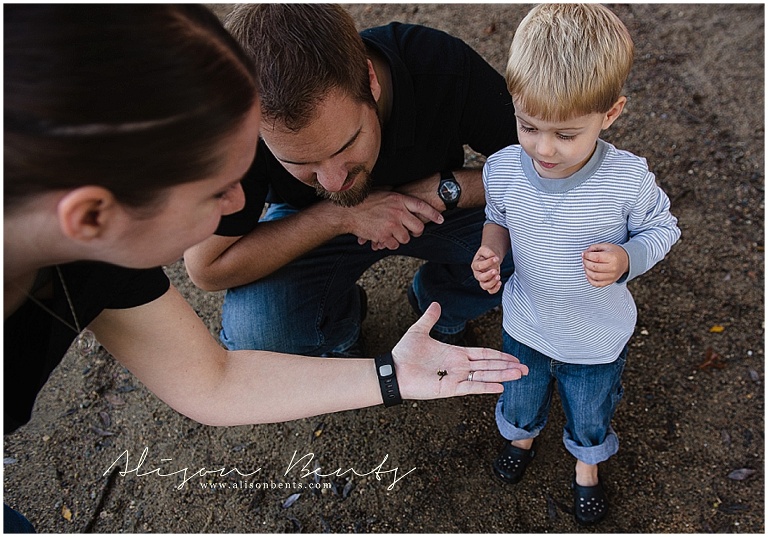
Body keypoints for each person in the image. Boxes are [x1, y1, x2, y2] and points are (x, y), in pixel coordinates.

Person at [3, 5, 530, 532]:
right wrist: (331, 221)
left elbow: (213, 380)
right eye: (216, 188)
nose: (238, 198)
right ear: (92, 215)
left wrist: (393, 375)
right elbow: (209, 273)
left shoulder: (93, 258)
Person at [183, 4, 518, 357]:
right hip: (310, 224)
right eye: (300, 162)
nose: (333, 181)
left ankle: (442, 304)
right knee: (259, 333)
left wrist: (448, 189)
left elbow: (552, 174)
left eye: (347, 145)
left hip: (431, 206)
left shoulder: (437, 64)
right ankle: (339, 331)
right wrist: (340, 216)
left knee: (548, 242)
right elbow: (206, 268)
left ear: (370, 81)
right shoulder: (236, 128)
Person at [471, 4, 681, 526]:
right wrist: (491, 251)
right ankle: (522, 437)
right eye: (528, 126)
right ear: (514, 103)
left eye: (566, 134)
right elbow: (498, 216)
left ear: (609, 114)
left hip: (596, 335)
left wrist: (628, 256)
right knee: (521, 394)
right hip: (526, 322)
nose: (544, 148)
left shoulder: (627, 180)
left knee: (590, 408)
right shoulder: (502, 169)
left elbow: (664, 229)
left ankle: (587, 466)